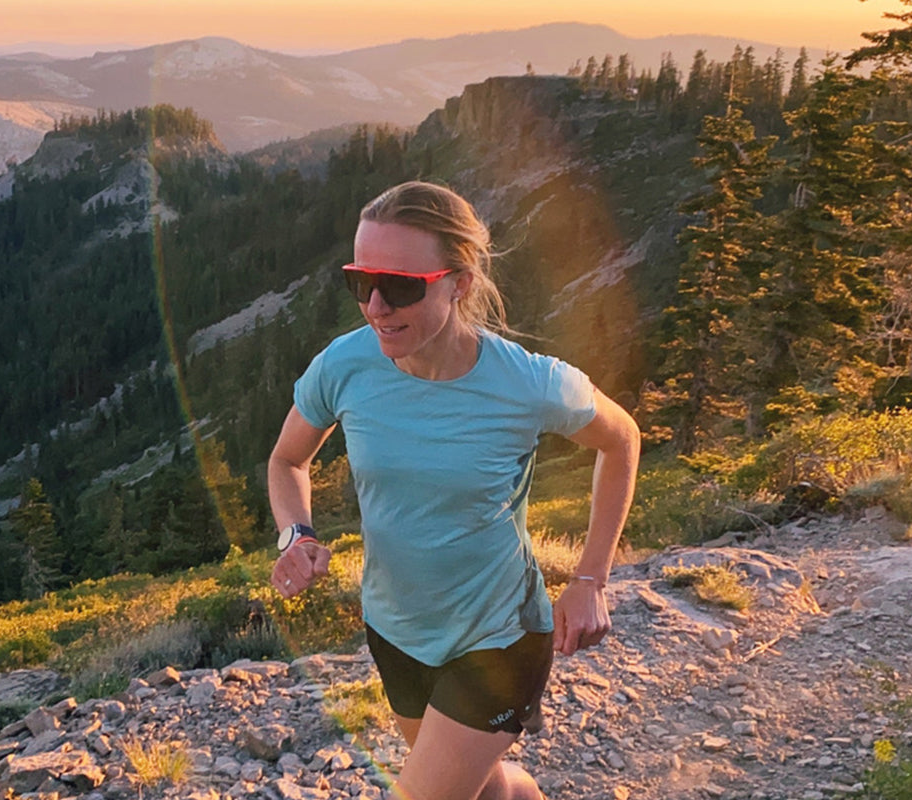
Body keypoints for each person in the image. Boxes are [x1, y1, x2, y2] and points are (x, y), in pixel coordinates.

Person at [268, 181, 640, 800]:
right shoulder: (345, 365)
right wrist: (297, 534)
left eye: (402, 286)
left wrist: (590, 580)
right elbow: (287, 461)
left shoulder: (528, 384)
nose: (377, 307)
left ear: (459, 282)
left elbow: (621, 438)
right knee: (485, 787)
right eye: (361, 282)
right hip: (395, 631)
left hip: (499, 640)